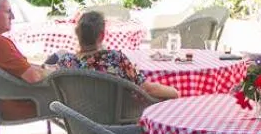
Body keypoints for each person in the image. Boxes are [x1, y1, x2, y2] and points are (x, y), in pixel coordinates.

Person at [50, 11, 179, 100]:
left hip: (78, 125)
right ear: (102, 36)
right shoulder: (115, 58)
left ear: (78, 34)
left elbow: (47, 76)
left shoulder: (66, 62)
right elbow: (148, 89)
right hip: (118, 125)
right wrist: (174, 93)